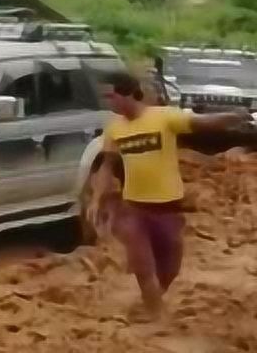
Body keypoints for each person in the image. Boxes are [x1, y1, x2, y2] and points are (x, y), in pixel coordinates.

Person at [90, 71, 249, 320]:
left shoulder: (163, 118)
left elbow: (201, 123)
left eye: (111, 97)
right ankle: (154, 317)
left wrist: (231, 117)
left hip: (167, 207)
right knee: (143, 265)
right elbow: (107, 166)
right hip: (133, 207)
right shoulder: (114, 129)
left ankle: (153, 300)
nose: (108, 103)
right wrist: (96, 198)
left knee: (170, 267)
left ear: (128, 93)